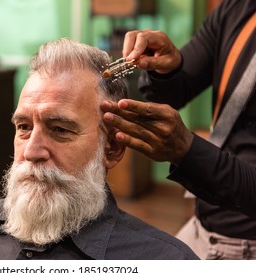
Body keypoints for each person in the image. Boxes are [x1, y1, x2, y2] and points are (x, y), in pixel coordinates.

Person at [0, 38, 198, 260]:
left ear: (112, 148)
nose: (31, 151)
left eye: (60, 130)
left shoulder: (165, 261)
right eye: (24, 127)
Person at [100, 0, 256, 259]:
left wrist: (188, 151)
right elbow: (177, 88)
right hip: (203, 224)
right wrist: (165, 70)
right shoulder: (237, 9)